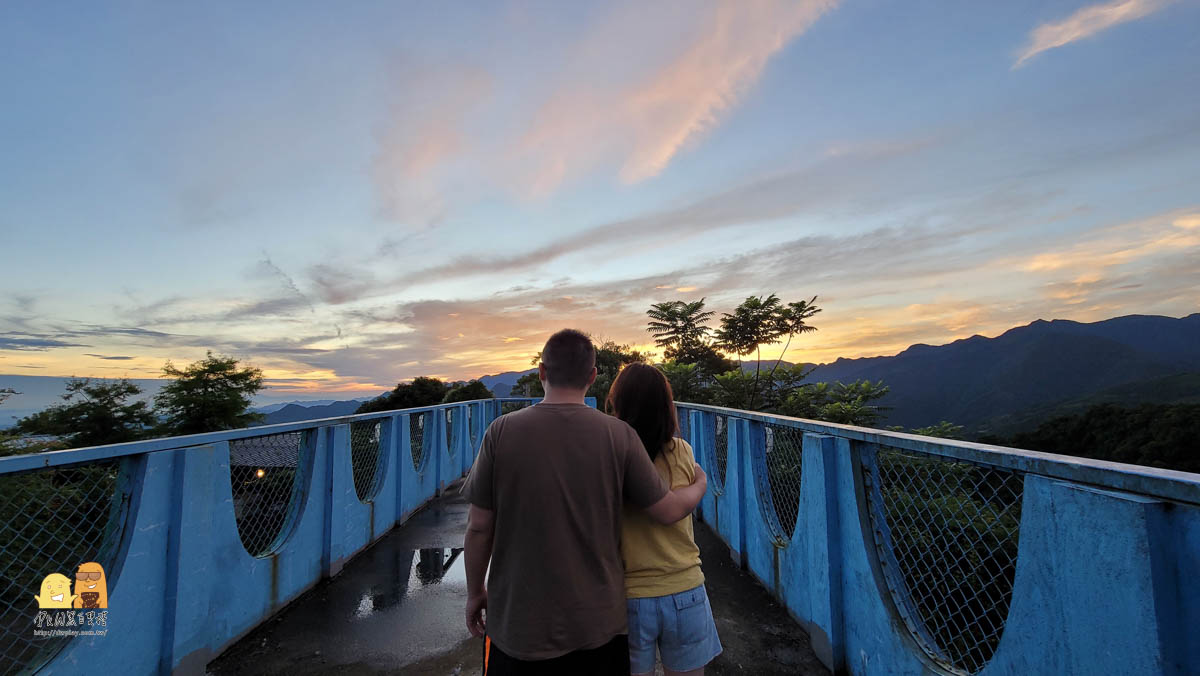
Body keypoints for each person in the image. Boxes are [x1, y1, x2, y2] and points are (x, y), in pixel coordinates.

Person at [461, 329, 708, 676]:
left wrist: (475, 592)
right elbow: (666, 509)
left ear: (542, 372)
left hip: (517, 627)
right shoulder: (619, 435)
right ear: (592, 376)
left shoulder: (501, 431)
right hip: (600, 630)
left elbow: (479, 526)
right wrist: (700, 482)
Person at [608, 363, 722, 676]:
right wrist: (701, 484)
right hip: (685, 588)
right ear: (665, 406)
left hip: (629, 596)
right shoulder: (682, 451)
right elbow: (675, 507)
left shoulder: (611, 455)